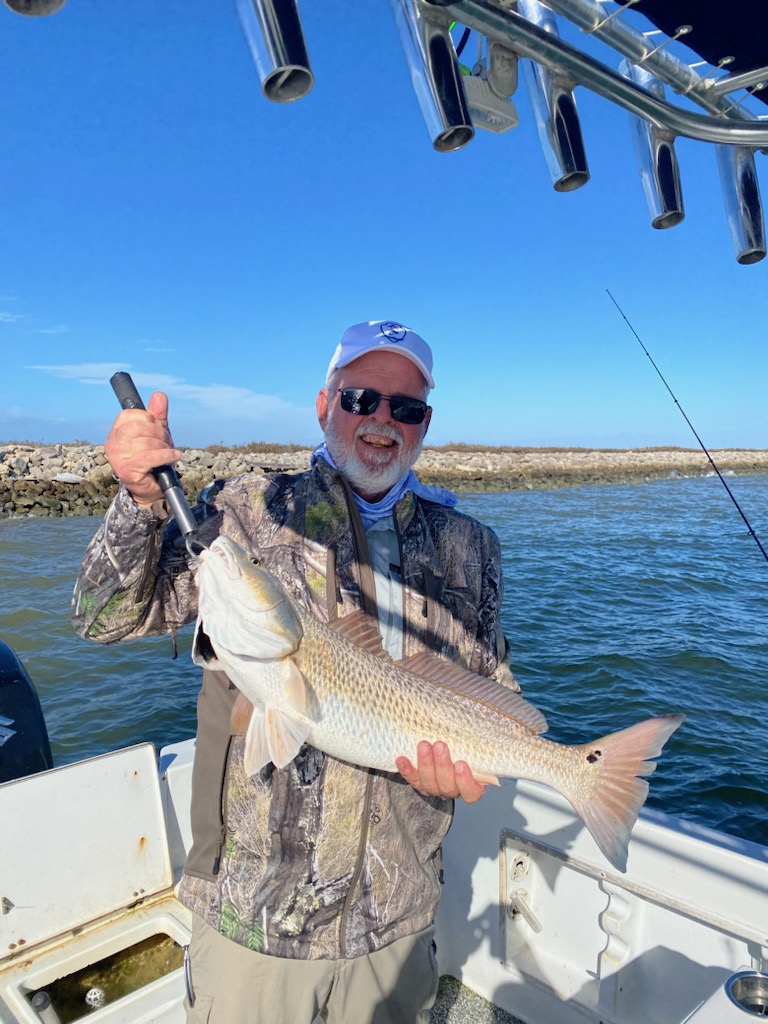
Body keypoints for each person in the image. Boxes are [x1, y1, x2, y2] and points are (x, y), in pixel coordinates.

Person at [72, 320, 518, 1024]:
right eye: (362, 398)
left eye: (406, 409)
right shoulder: (244, 512)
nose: (381, 422)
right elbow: (107, 618)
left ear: (425, 424)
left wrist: (472, 759)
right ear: (324, 403)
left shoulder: (470, 545)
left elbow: (493, 687)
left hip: (396, 921)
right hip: (256, 917)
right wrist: (140, 502)